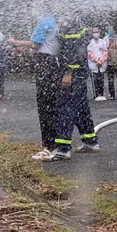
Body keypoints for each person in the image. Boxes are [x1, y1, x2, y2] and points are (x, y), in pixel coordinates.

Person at [32, 20, 100, 161]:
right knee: (81, 108)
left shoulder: (69, 25)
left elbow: (75, 51)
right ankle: (90, 141)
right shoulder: (73, 22)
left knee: (65, 108)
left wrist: (68, 72)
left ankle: (63, 149)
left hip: (73, 73)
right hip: (79, 73)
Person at [9, 11, 61, 157]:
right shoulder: (56, 21)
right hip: (54, 64)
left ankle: (49, 146)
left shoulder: (45, 21)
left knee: (45, 106)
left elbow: (35, 44)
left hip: (45, 64)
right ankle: (60, 142)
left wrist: (15, 42)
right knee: (54, 104)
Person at [87, 28, 108, 101]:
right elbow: (90, 53)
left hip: (101, 64)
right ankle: (96, 95)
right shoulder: (90, 43)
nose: (96, 34)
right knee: (95, 80)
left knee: (101, 80)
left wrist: (101, 60)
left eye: (97, 32)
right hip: (94, 64)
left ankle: (101, 94)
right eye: (94, 32)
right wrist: (96, 60)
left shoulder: (103, 42)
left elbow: (105, 52)